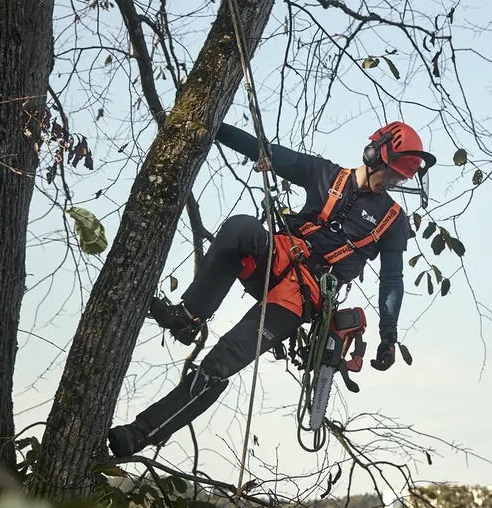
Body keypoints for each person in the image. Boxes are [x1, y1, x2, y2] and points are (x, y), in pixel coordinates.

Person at [107, 119, 435, 458]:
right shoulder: (323, 174)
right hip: (276, 257)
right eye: (394, 173)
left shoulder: (393, 221)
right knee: (242, 228)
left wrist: (388, 335)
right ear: (375, 155)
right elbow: (262, 149)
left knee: (220, 364)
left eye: (401, 178)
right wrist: (211, 123)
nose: (395, 182)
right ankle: (189, 317)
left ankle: (142, 432)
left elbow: (392, 280)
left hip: (300, 297)